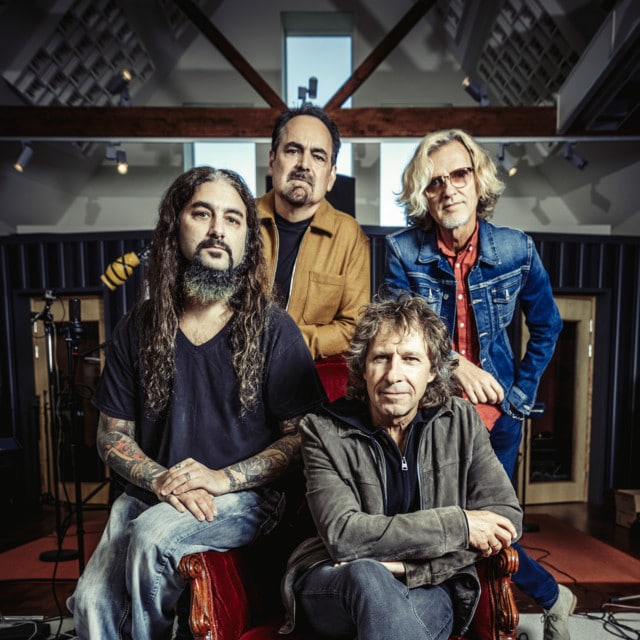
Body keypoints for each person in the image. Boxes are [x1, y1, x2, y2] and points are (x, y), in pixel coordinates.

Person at [67, 167, 327, 639]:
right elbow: (112, 434)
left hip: (245, 499)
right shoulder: (138, 326)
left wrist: (221, 479)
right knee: (89, 603)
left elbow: (303, 439)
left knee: (154, 537)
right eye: (202, 213)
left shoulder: (274, 329)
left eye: (233, 219)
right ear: (175, 227)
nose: (217, 230)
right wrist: (161, 479)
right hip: (151, 491)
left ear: (247, 239)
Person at [384, 129, 575, 640]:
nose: (448, 189)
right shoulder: (402, 252)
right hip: (432, 418)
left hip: (498, 420)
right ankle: (509, 605)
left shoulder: (516, 249)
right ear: (422, 194)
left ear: (478, 180)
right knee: (439, 523)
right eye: (434, 181)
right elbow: (400, 331)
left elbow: (548, 325)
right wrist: (454, 365)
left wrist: (520, 397)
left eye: (459, 174)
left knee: (494, 527)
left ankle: (518, 607)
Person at [279, 294, 523, 639]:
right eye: (381, 358)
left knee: (395, 607)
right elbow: (344, 536)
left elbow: (505, 518)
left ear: (432, 370)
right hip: (335, 583)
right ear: (363, 368)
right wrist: (459, 525)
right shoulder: (323, 430)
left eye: (410, 359)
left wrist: (408, 569)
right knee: (367, 575)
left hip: (431, 588)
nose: (394, 375)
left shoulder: (461, 421)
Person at [258, 104, 371, 361]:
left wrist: (287, 344)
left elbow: (353, 326)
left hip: (304, 370)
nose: (304, 165)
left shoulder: (349, 237)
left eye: (318, 157)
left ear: (331, 177)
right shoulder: (238, 220)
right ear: (272, 161)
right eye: (293, 151)